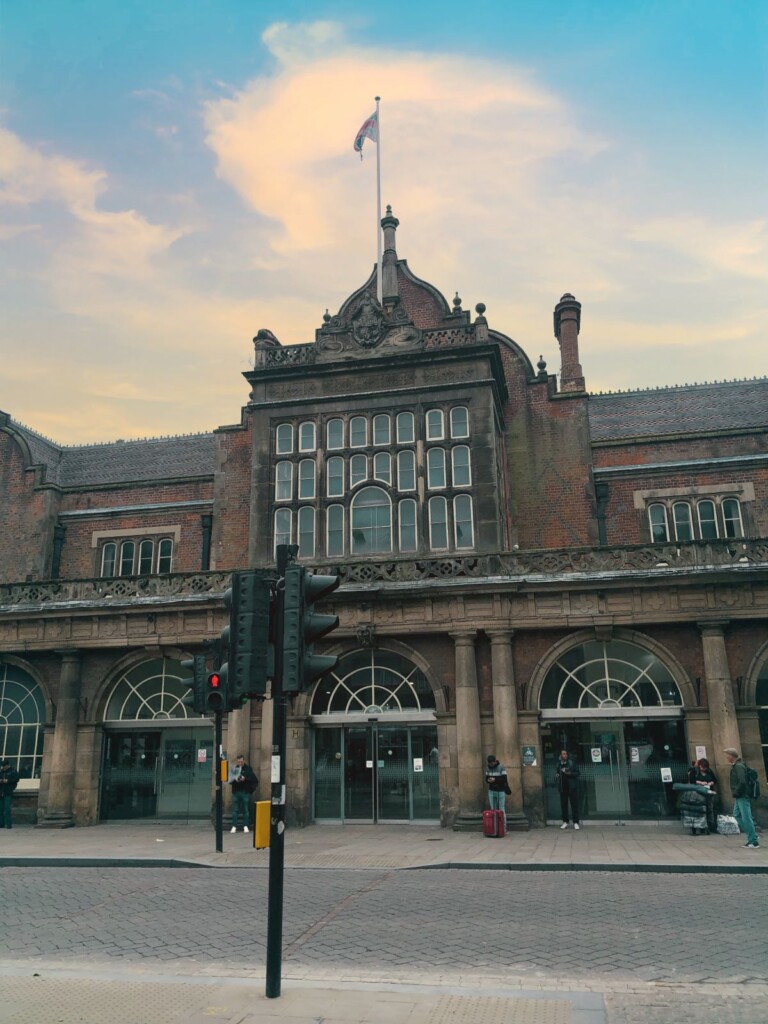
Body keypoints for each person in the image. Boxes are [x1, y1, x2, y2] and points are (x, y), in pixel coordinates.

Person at [724, 747, 759, 848]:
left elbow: (742, 781)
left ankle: (753, 841)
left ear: (732, 756)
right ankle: (753, 835)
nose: (727, 757)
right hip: (740, 795)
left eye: (727, 755)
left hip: (742, 795)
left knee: (746, 818)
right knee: (737, 814)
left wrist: (736, 792)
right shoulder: (737, 766)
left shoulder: (739, 767)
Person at [228, 755, 258, 834]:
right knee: (235, 810)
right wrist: (235, 780)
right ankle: (234, 826)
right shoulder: (234, 769)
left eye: (241, 761)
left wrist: (245, 779)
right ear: (237, 761)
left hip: (245, 791)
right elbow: (230, 780)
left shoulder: (248, 769)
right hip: (236, 791)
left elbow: (253, 779)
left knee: (246, 809)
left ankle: (245, 826)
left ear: (244, 761)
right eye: (239, 762)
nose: (240, 763)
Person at [691, 757, 718, 833]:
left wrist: (710, 783)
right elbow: (691, 780)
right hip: (698, 793)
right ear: (699, 765)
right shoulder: (695, 771)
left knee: (710, 809)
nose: (703, 769)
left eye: (705, 767)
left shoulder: (709, 771)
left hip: (709, 793)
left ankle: (711, 826)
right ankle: (700, 826)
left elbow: (714, 780)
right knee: (699, 809)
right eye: (702, 767)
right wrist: (700, 782)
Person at [555, 749, 581, 830]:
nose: (565, 755)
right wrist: (557, 776)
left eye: (566, 754)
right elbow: (557, 773)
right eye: (563, 754)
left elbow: (578, 773)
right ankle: (565, 822)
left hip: (571, 787)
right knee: (564, 806)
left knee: (574, 806)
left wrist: (570, 774)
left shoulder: (571, 763)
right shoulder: (558, 764)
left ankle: (576, 822)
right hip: (563, 788)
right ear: (560, 756)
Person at [0, 758, 20, 829]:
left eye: (4, 766)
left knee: (7, 809)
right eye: (2, 766)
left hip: (8, 792)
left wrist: (7, 781)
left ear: (8, 765)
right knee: (1, 809)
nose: (3, 767)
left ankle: (8, 824)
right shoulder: (1, 771)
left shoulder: (12, 771)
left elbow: (17, 779)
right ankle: (1, 824)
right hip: (1, 791)